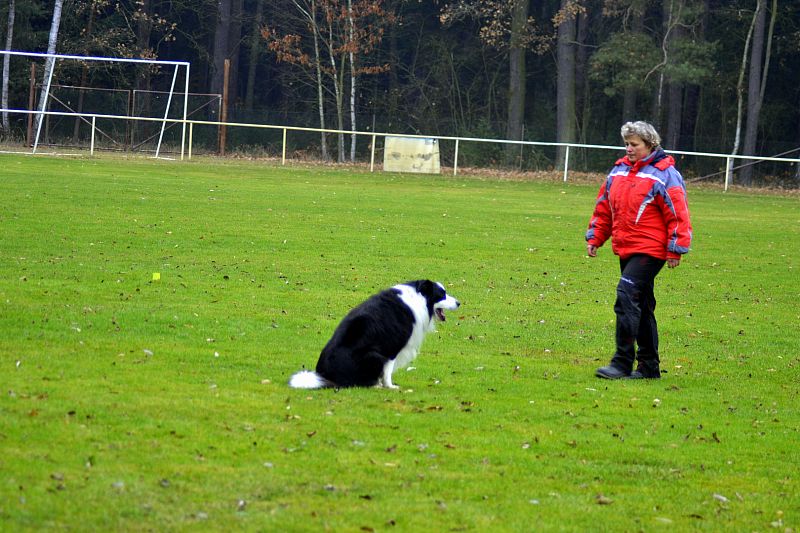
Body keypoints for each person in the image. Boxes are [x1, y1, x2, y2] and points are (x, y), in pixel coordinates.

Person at [585, 121, 693, 379]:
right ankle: (648, 367)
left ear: (650, 144)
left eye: (634, 144)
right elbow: (604, 207)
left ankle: (621, 363)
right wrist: (596, 237)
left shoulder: (665, 174)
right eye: (627, 144)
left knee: (625, 296)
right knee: (641, 306)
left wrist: (676, 248)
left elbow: (677, 212)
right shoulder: (618, 171)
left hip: (651, 248)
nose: (629, 149)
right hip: (626, 247)